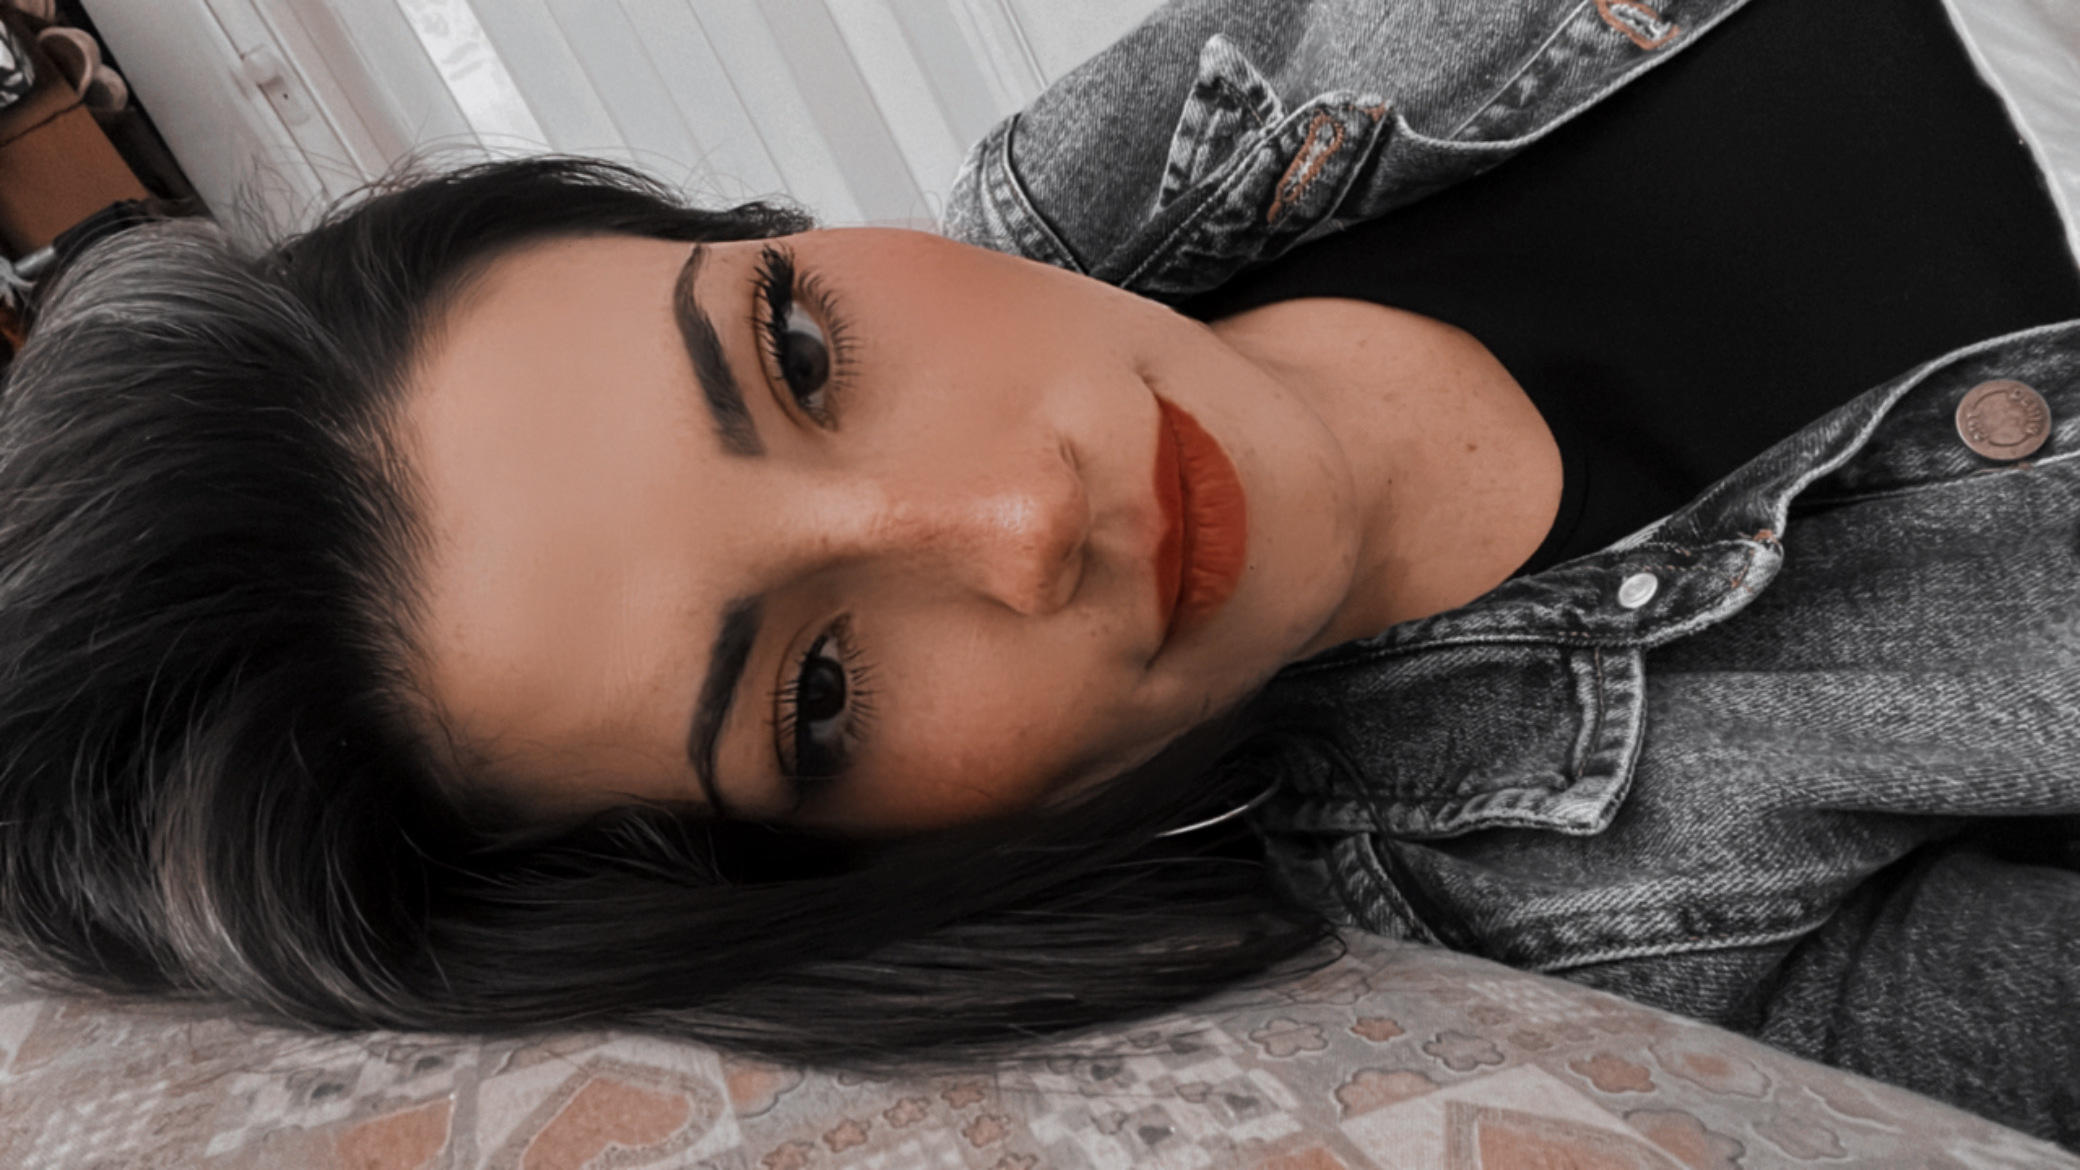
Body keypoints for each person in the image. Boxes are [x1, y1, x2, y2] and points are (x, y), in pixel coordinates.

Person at [2, 0, 2076, 1148]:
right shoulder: (1631, 939)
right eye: (820, 693)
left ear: (755, 224)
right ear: (828, 868)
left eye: (798, 352)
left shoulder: (1147, 144)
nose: (1016, 519)